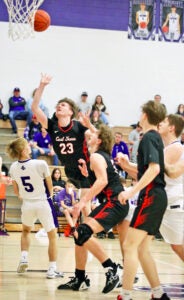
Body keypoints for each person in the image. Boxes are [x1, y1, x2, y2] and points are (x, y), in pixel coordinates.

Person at [57, 124, 129, 293]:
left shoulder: (97, 156)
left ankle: (112, 269)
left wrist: (82, 202)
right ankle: (80, 278)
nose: (88, 137)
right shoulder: (97, 157)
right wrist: (87, 176)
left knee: (82, 232)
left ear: (100, 140)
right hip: (113, 202)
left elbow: (103, 182)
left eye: (92, 135)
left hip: (115, 202)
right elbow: (103, 181)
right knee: (78, 234)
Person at [116, 100, 170, 300]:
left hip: (151, 196)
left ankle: (126, 295)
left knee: (130, 246)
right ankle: (159, 294)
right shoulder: (154, 138)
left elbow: (154, 170)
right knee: (142, 248)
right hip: (156, 197)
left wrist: (130, 191)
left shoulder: (148, 138)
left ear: (145, 115)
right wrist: (127, 165)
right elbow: (147, 171)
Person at [6, 137, 63, 279]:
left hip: (27, 204)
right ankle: (52, 269)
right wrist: (49, 196)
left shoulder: (13, 167)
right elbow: (50, 186)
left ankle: (24, 258)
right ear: (24, 150)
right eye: (27, 145)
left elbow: (16, 191)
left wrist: (24, 196)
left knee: (25, 231)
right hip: (43, 202)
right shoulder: (40, 163)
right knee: (52, 236)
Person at [158, 114, 184, 261]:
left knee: (178, 245)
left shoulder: (175, 147)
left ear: (172, 128)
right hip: (167, 201)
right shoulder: (167, 148)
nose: (160, 123)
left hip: (175, 201)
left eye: (164, 121)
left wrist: (154, 159)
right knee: (177, 245)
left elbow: (164, 171)